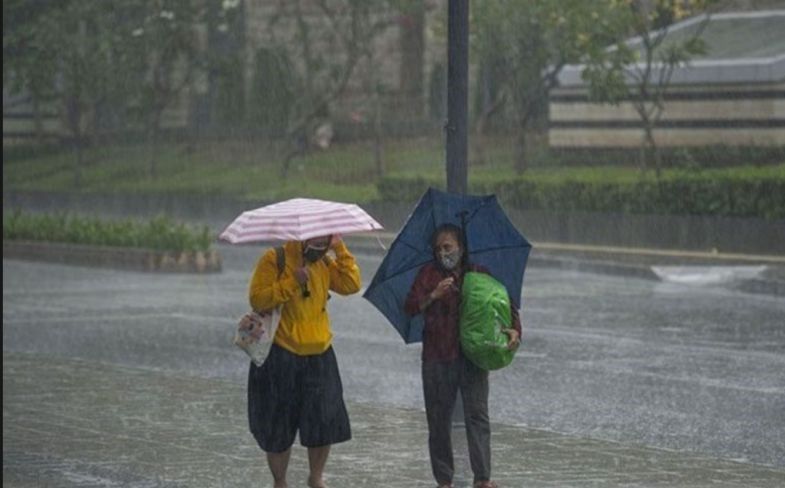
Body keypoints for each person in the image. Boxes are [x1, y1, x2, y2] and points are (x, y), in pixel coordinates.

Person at [404, 224, 521, 488]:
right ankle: (444, 480)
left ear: (461, 247)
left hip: (472, 357)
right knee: (438, 420)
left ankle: (483, 478)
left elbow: (504, 304)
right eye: (438, 249)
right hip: (437, 356)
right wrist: (434, 295)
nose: (443, 253)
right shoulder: (428, 274)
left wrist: (515, 330)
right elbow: (410, 306)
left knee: (477, 415)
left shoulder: (478, 274)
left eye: (448, 247)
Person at [245, 234, 361, 488]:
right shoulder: (275, 259)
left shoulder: (325, 263)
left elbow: (351, 284)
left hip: (320, 353)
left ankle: (316, 477)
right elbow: (258, 298)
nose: (319, 246)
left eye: (325, 241)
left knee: (323, 422)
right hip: (281, 353)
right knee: (277, 425)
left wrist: (340, 249)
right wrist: (291, 282)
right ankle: (280, 481)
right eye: (315, 241)